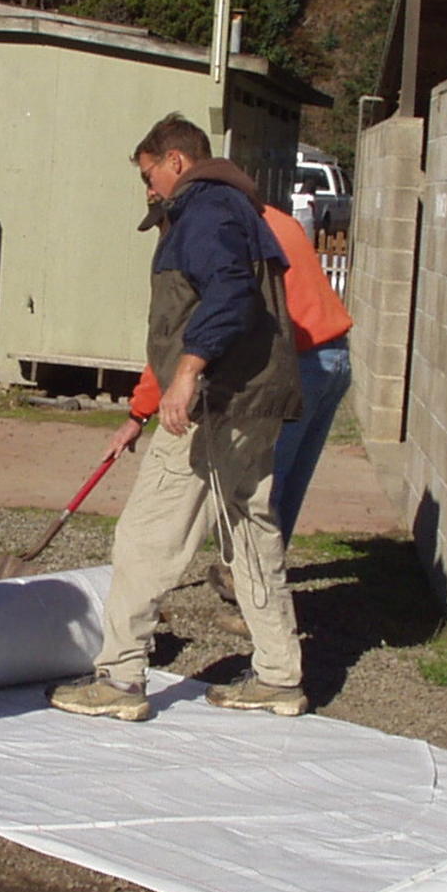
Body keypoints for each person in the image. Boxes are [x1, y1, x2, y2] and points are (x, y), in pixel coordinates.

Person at [48, 114, 308, 723]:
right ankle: (278, 675)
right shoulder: (238, 209)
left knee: (146, 537)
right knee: (250, 534)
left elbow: (228, 297)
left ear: (177, 162)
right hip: (252, 402)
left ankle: (119, 679)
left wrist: (187, 375)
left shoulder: (206, 211)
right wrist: (142, 407)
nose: (148, 190)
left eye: (149, 174)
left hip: (216, 404)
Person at [128, 180, 353, 556]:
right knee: (282, 488)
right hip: (332, 358)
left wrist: (139, 411)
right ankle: (255, 584)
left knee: (253, 491)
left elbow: (187, 330)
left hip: (295, 365)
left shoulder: (216, 234)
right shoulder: (273, 219)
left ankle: (248, 594)